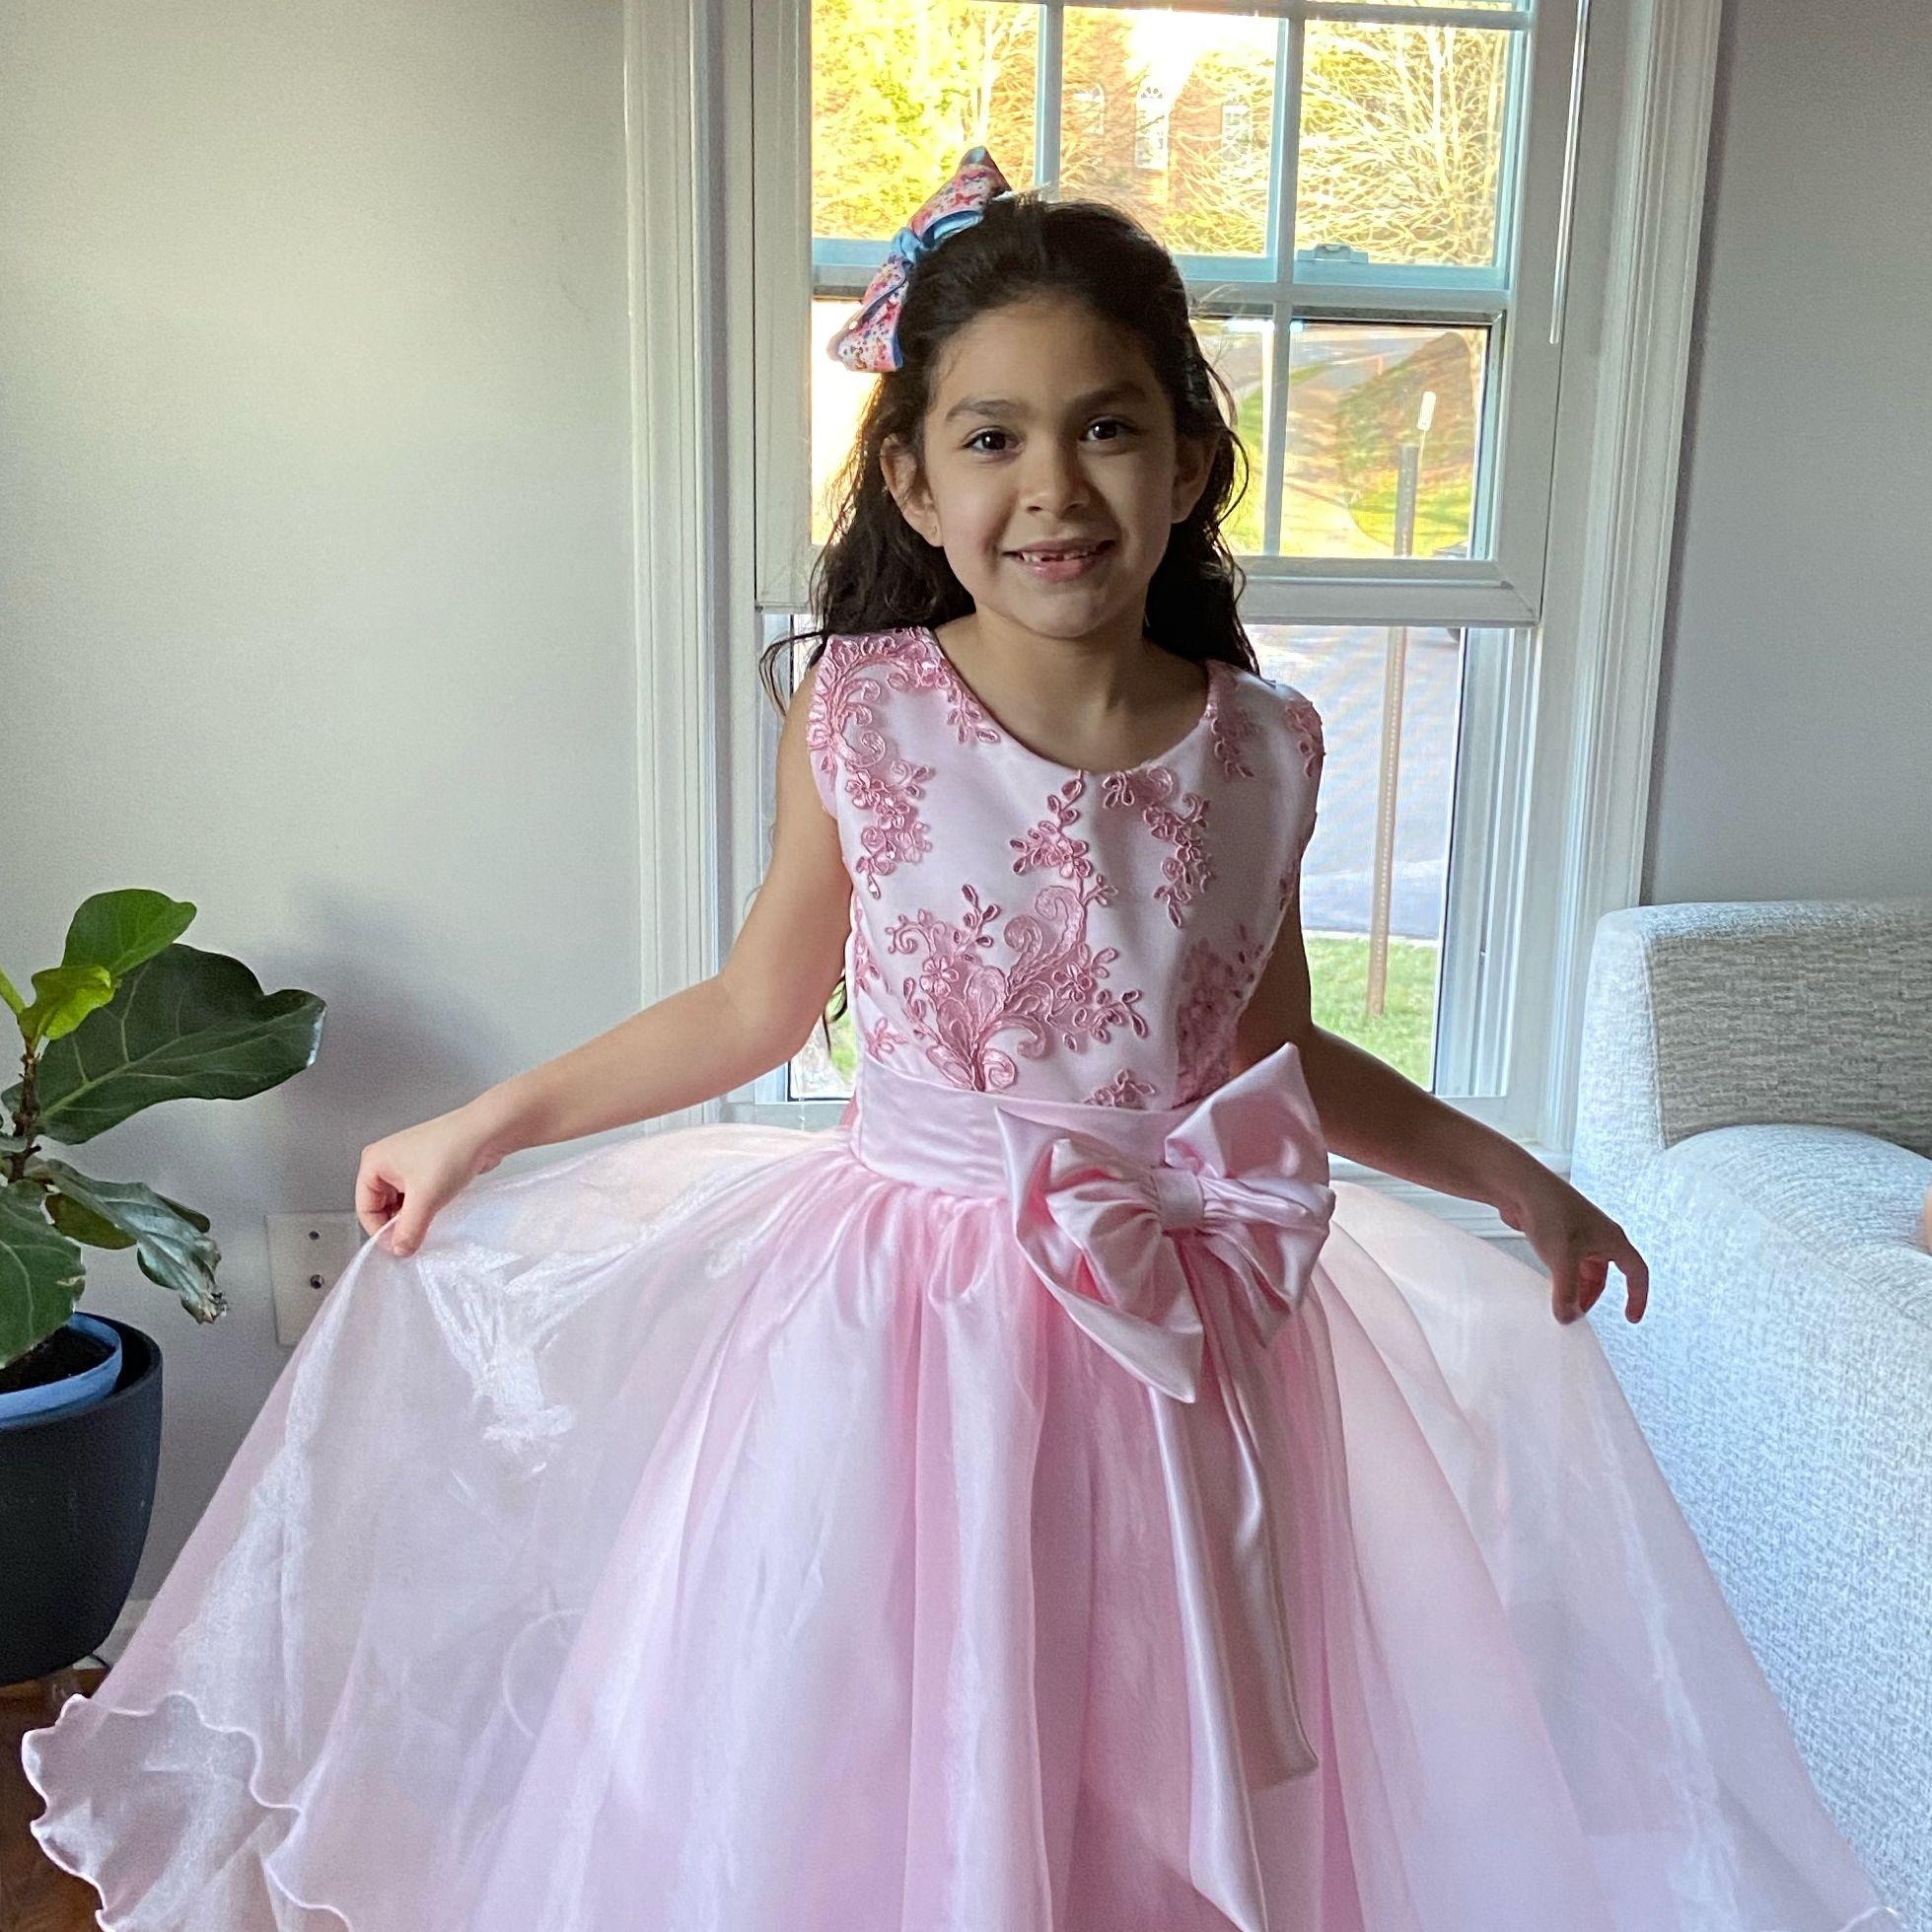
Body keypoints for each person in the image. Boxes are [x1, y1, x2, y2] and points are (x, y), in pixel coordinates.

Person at [22, 148, 1898, 1932]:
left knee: (1157, 1750)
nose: (1054, 487)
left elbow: (1270, 1060)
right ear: (915, 483)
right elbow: (753, 1005)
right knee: (878, 1726)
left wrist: (1518, 1177)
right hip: (899, 1337)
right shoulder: (867, 711)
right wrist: (487, 1123)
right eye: (993, 437)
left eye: (1107, 427)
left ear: (1189, 460)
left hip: (1185, 1349)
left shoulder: (1265, 747)